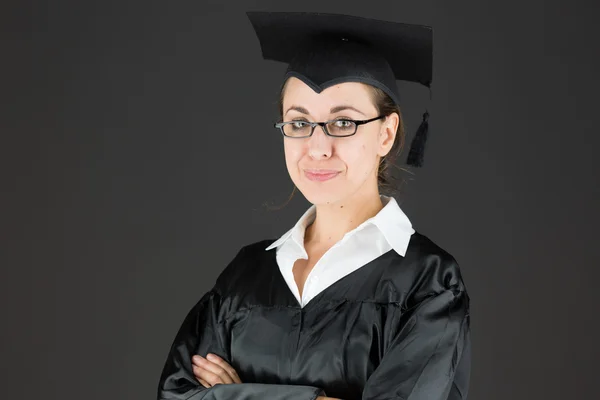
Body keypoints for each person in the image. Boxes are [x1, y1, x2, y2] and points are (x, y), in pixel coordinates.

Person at [157, 11, 471, 400]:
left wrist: (238, 396)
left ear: (386, 134)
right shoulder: (244, 277)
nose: (318, 148)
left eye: (343, 123)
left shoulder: (427, 283)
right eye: (299, 123)